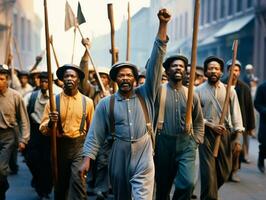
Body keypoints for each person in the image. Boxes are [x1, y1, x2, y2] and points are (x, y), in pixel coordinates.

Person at [79, 8, 170, 200]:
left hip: (144, 150)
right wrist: (87, 159)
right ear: (116, 80)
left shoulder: (146, 94)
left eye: (129, 74)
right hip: (118, 152)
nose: (125, 78)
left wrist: (163, 25)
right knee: (122, 196)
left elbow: (155, 62)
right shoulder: (106, 104)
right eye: (121, 75)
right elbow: (95, 134)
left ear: (136, 79)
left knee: (143, 197)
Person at [39, 64, 94, 200]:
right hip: (59, 147)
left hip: (79, 146)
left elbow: (92, 130)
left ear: (78, 80)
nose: (69, 78)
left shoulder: (87, 102)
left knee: (78, 181)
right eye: (66, 76)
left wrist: (90, 154)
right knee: (60, 185)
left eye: (72, 76)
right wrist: (51, 122)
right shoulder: (52, 101)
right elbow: (43, 129)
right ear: (62, 79)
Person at [154, 55, 204, 200]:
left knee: (187, 183)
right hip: (163, 143)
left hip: (186, 144)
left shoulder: (191, 94)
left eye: (181, 66)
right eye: (174, 66)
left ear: (185, 71)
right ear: (167, 71)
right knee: (163, 186)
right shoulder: (159, 91)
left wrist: (196, 140)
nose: (178, 68)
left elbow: (198, 121)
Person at [195, 56, 244, 200]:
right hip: (206, 135)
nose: (213, 71)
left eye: (216, 68)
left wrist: (238, 136)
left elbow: (236, 113)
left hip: (225, 134)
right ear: (206, 72)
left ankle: (211, 193)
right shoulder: (198, 91)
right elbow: (194, 116)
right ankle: (209, 197)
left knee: (225, 171)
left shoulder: (230, 91)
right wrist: (210, 124)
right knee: (208, 173)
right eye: (210, 68)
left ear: (221, 72)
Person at [0, 64, 30, 200]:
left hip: (9, 135)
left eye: (1, 79)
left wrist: (24, 139)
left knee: (1, 169)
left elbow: (24, 119)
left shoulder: (16, 96)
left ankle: (2, 189)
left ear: (7, 80)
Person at [223, 60, 255, 182]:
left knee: (237, 149)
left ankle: (234, 171)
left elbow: (249, 107)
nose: (234, 73)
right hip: (224, 124)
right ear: (227, 71)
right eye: (231, 70)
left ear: (239, 72)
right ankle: (225, 171)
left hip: (239, 124)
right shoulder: (221, 84)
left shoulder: (244, 88)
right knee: (225, 150)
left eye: (236, 70)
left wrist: (251, 127)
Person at [24, 72, 53, 198]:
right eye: (42, 81)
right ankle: (37, 179)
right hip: (35, 132)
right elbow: (23, 115)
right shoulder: (31, 96)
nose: (44, 83)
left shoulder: (56, 97)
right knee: (31, 159)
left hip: (49, 134)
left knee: (48, 162)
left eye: (47, 81)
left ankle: (45, 189)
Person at [254, 80, 266, 173]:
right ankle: (261, 159)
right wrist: (264, 111)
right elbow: (257, 103)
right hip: (265, 120)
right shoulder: (262, 87)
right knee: (265, 143)